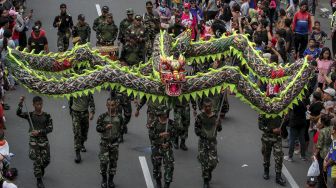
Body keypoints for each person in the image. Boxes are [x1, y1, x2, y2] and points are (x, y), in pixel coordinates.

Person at [16, 96, 53, 188]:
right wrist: (21, 103)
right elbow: (18, 113)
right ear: (33, 105)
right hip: (33, 141)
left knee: (46, 160)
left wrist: (39, 132)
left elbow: (50, 128)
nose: (39, 106)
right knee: (37, 160)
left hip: (43, 140)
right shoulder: (30, 115)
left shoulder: (47, 115)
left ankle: (41, 168)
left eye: (41, 104)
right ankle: (39, 180)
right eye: (37, 104)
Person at [195, 98, 222, 188]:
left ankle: (209, 172)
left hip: (212, 143)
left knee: (213, 162)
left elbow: (220, 129)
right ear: (203, 107)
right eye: (206, 106)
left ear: (212, 106)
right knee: (204, 162)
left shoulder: (215, 117)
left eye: (209, 106)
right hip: (203, 143)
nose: (208, 108)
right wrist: (204, 134)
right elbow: (196, 130)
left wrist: (218, 124)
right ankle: (206, 180)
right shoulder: (200, 117)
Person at [96, 98, 123, 188]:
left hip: (114, 143)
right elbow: (98, 128)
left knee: (113, 163)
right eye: (109, 105)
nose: (111, 107)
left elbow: (122, 128)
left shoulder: (119, 117)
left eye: (113, 105)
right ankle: (104, 180)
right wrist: (105, 127)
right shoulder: (102, 116)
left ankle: (110, 180)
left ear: (116, 106)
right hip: (104, 142)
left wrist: (118, 136)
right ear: (106, 105)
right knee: (103, 162)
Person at [149, 104, 176, 188]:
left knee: (169, 166)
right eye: (163, 114)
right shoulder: (154, 123)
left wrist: (169, 142)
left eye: (165, 113)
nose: (165, 115)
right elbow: (151, 136)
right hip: (157, 147)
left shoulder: (171, 123)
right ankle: (158, 183)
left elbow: (174, 136)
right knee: (156, 165)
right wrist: (160, 135)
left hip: (167, 148)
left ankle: (167, 184)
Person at [258, 112, 286, 186]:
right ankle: (266, 171)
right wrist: (272, 130)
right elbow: (260, 126)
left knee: (279, 156)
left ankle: (278, 176)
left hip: (277, 138)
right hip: (267, 137)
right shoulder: (263, 111)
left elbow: (284, 123)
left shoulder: (281, 111)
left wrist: (283, 127)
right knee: (266, 155)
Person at [69, 92, 95, 163]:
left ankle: (82, 144)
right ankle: (77, 153)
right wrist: (70, 111)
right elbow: (70, 99)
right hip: (75, 113)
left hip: (84, 113)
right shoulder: (74, 87)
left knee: (84, 132)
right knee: (77, 133)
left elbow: (91, 101)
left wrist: (92, 112)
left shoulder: (88, 88)